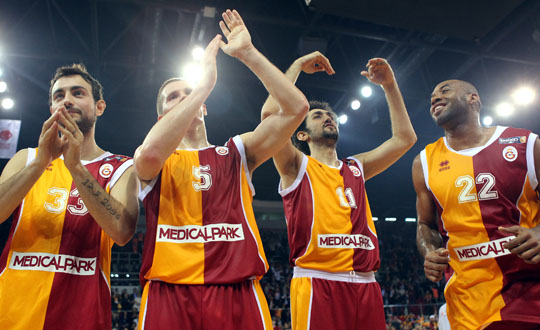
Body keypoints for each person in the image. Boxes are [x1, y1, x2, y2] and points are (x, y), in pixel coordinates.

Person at [134, 9, 309, 330]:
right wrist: (202, 86)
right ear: (162, 119)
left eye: (189, 94)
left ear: (203, 108)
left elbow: (297, 108)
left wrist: (248, 54)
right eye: (173, 97)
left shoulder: (236, 151)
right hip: (168, 292)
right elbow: (147, 155)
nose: (184, 98)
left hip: (237, 292)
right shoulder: (155, 156)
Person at [261, 52, 417, 330]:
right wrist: (296, 65)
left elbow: (405, 139)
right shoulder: (295, 165)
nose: (328, 118)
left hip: (367, 284)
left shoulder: (356, 167)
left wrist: (390, 86)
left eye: (330, 115)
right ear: (302, 135)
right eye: (318, 116)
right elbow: (270, 115)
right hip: (318, 280)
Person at [0, 64, 139, 329]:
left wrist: (75, 166)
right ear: (52, 109)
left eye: (78, 93)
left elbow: (122, 232)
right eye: (59, 95)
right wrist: (41, 163)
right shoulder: (27, 158)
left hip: (82, 316)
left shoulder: (122, 167)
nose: (67, 100)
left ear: (99, 107)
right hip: (10, 312)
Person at [413, 79, 540, 329]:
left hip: (528, 289)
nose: (435, 98)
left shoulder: (526, 144)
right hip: (465, 300)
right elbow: (425, 224)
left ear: (473, 99)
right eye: (432, 96)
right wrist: (429, 251)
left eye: (445, 90)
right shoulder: (424, 162)